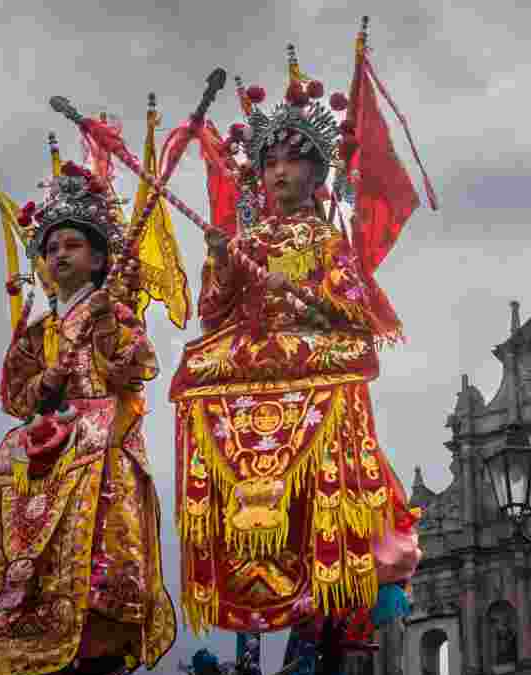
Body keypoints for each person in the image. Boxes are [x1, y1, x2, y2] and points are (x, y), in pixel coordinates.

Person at [169, 45, 422, 637]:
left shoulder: (328, 242)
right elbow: (213, 316)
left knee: (346, 361)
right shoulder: (244, 241)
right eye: (269, 162)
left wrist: (309, 298)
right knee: (198, 362)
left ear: (316, 173)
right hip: (252, 354)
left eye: (292, 161)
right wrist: (222, 264)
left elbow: (355, 320)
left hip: (311, 350)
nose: (279, 171)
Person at [0, 160, 176, 675]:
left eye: (72, 245)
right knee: (42, 563)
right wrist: (46, 385)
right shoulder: (36, 331)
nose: (59, 255)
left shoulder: (113, 312)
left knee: (100, 560)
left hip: (103, 458)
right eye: (52, 248)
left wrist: (105, 322)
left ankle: (98, 648)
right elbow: (16, 397)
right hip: (48, 463)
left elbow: (138, 367)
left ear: (100, 258)